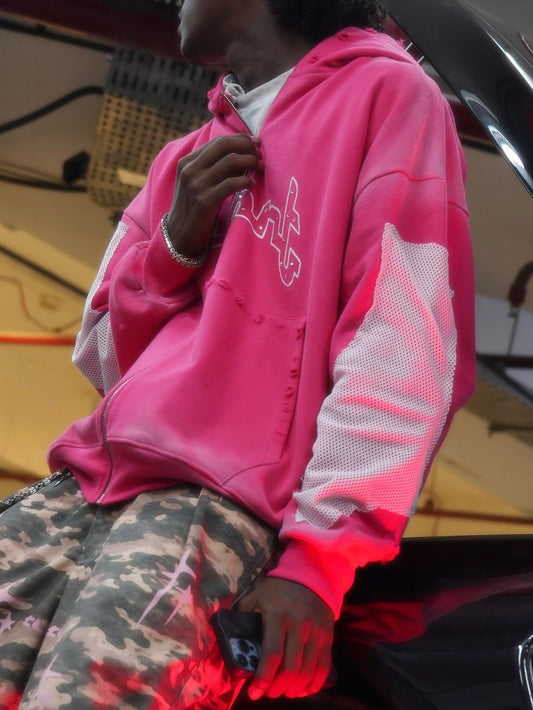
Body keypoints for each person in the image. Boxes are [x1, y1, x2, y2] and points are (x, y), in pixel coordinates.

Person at [0, 0, 476, 707]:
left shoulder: (388, 94)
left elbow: (402, 344)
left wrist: (316, 566)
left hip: (213, 511)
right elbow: (101, 358)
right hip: (83, 487)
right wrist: (174, 246)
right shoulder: (183, 158)